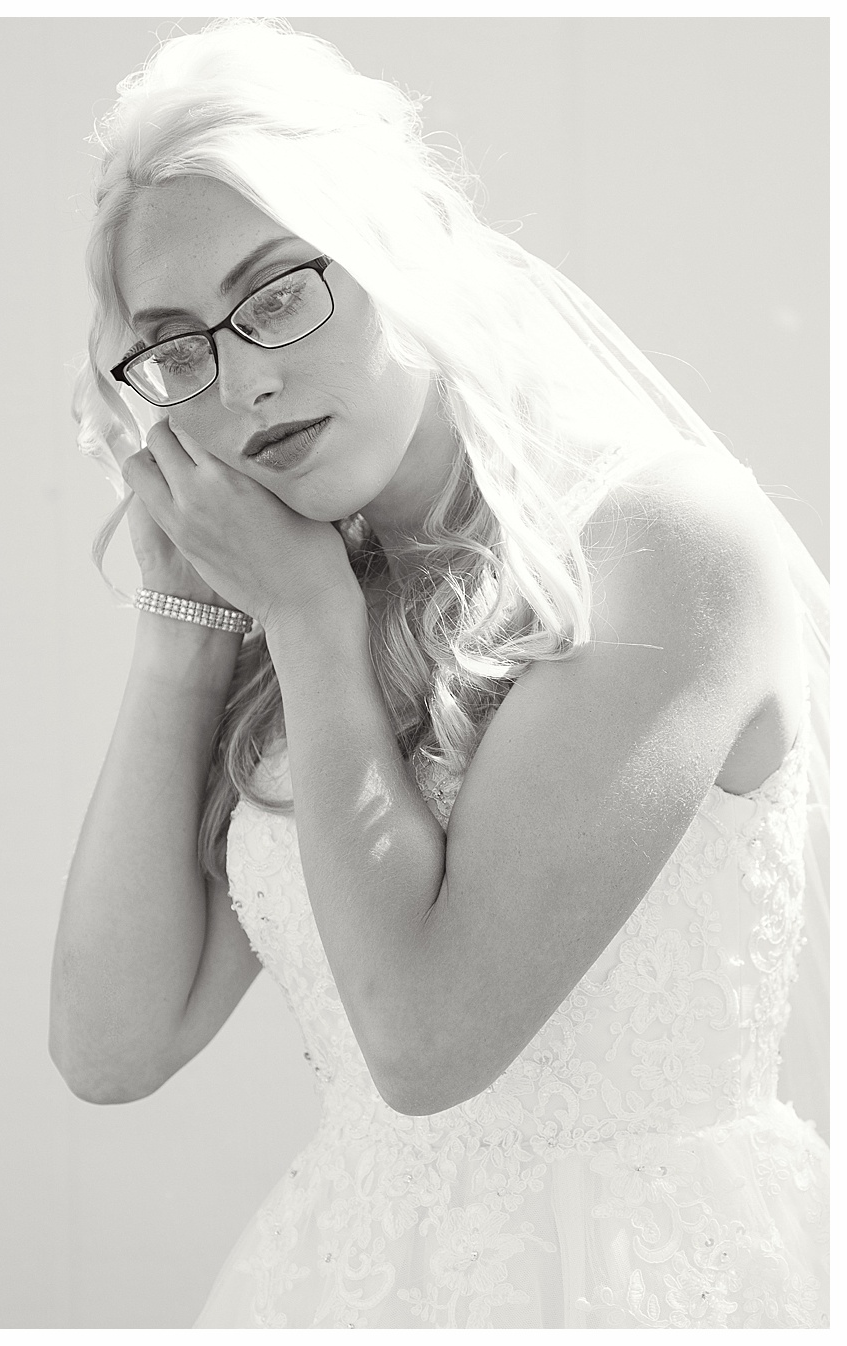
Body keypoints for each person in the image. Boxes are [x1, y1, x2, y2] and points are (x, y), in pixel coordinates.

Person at [47, 19, 828, 1329]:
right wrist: (186, 619)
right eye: (179, 347)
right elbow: (111, 1045)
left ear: (401, 244)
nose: (242, 382)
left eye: (278, 291)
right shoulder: (327, 590)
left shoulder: (664, 548)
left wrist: (302, 616)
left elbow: (425, 1042)